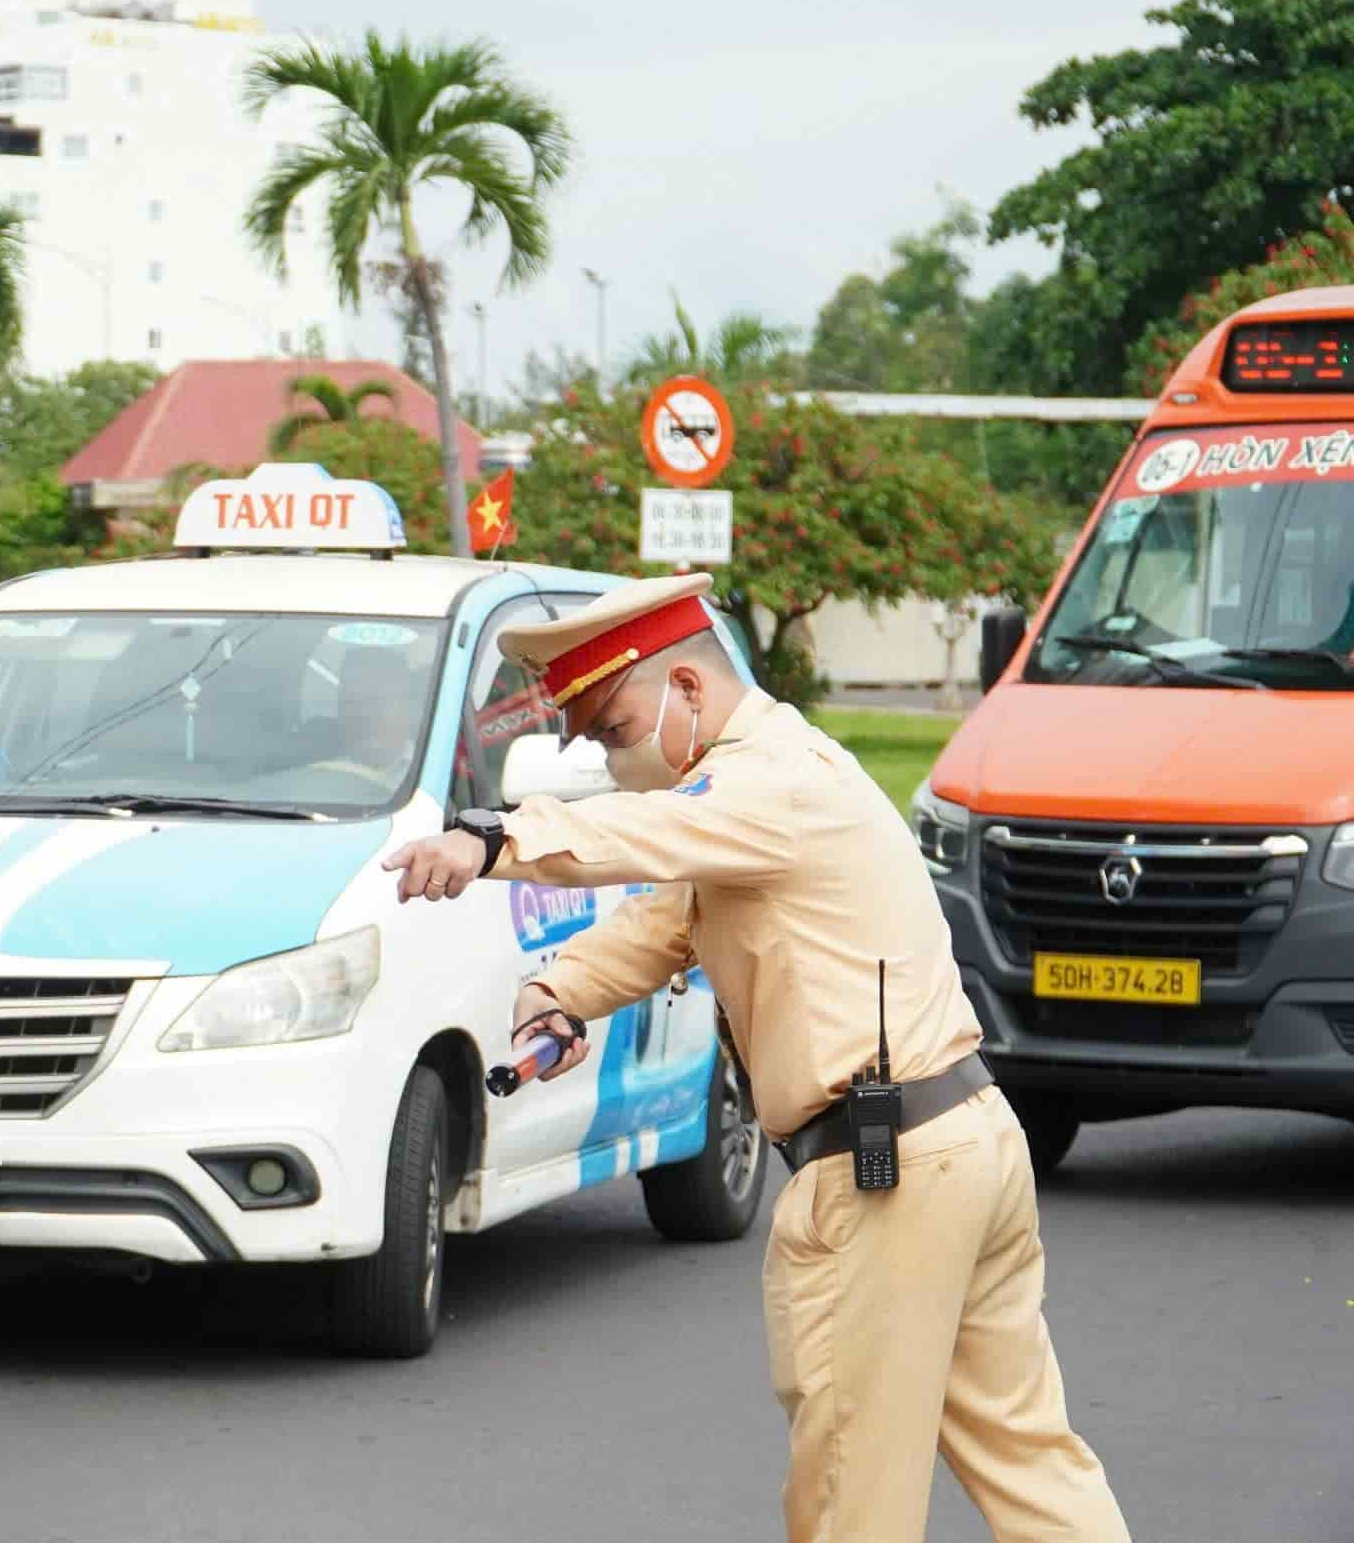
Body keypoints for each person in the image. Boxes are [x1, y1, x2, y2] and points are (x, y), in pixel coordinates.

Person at [381, 573, 1129, 1543]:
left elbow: (650, 839)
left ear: (688, 691)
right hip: (954, 1141)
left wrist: (495, 838)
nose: (610, 763)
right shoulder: (775, 784)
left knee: (849, 1491)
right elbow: (675, 918)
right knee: (1028, 1462)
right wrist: (559, 996)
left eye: (613, 730)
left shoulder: (768, 783)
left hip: (884, 1171)